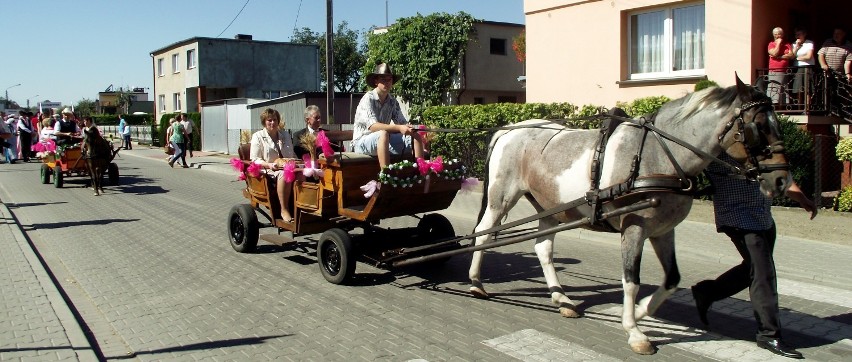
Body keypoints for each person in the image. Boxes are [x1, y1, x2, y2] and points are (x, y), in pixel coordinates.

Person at [691, 153, 816, 359]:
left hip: (763, 216)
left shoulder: (760, 144)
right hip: (737, 216)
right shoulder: (720, 146)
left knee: (753, 268)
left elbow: (780, 176)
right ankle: (768, 334)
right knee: (763, 273)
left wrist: (801, 197)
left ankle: (706, 292)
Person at [352, 62, 425, 168]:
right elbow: (373, 127)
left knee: (415, 136)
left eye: (389, 79)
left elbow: (402, 123)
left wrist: (412, 128)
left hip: (383, 140)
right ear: (376, 81)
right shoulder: (368, 98)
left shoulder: (392, 101)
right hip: (361, 142)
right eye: (383, 79)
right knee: (383, 134)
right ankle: (386, 176)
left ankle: (420, 173)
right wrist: (399, 127)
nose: (387, 82)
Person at [250, 108, 298, 223]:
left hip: (287, 166)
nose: (272, 123)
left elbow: (291, 154)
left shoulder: (285, 135)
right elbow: (255, 159)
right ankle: (284, 209)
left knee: (303, 174)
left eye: (275, 120)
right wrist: (269, 165)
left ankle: (300, 207)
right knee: (283, 174)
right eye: (269, 120)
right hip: (269, 170)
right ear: (264, 122)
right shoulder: (258, 136)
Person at [767, 27, 795, 105]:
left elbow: (791, 55)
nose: (777, 36)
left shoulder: (787, 44)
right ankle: (774, 107)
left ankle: (783, 109)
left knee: (784, 90)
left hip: (785, 71)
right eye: (775, 34)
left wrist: (779, 57)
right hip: (775, 70)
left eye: (779, 34)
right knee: (774, 89)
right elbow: (774, 53)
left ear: (782, 35)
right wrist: (778, 43)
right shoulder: (771, 44)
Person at [790, 27, 815, 100]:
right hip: (798, 68)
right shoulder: (793, 44)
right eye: (796, 35)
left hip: (807, 67)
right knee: (798, 89)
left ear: (804, 34)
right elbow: (791, 57)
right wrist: (796, 47)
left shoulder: (809, 43)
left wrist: (797, 58)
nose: (797, 36)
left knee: (807, 89)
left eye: (799, 34)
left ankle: (807, 109)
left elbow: (808, 56)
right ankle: (799, 108)